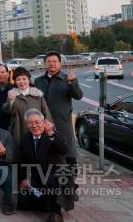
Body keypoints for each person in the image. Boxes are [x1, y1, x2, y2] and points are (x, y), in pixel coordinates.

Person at [33, 50, 83, 196]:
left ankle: (70, 189)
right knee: (48, 157)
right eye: (49, 61)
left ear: (60, 63)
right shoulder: (38, 81)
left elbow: (78, 96)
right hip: (44, 125)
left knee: (69, 156)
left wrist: (72, 83)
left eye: (55, 61)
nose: (52, 64)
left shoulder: (68, 78)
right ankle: (50, 188)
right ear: (45, 64)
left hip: (63, 125)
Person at [18, 109, 73, 222]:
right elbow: (22, 162)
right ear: (26, 124)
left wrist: (51, 134)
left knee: (50, 181)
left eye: (37, 122)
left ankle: (56, 212)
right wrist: (23, 179)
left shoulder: (53, 135)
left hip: (56, 175)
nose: (34, 125)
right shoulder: (25, 139)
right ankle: (45, 201)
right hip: (38, 176)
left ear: (43, 122)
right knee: (23, 203)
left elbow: (64, 150)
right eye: (30, 123)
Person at [4, 67, 53, 157]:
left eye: (24, 79)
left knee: (38, 153)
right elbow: (8, 112)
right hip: (19, 130)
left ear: (29, 80)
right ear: (15, 82)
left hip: (37, 129)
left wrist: (50, 131)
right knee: (21, 155)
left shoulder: (38, 95)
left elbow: (46, 113)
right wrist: (11, 101)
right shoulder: (12, 94)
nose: (22, 82)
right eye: (18, 79)